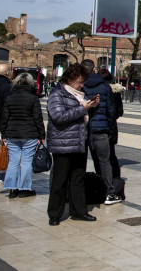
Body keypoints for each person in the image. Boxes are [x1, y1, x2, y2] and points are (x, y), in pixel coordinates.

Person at [47, 63, 99, 225]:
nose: (81, 85)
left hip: (78, 142)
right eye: (79, 81)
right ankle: (55, 213)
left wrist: (92, 107)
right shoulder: (57, 95)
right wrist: (83, 108)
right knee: (60, 180)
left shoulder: (80, 95)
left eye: (83, 81)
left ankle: (79, 211)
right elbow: (59, 117)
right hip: (63, 143)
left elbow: (83, 116)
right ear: (69, 79)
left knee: (78, 178)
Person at [81, 60, 121, 205]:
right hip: (101, 129)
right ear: (94, 69)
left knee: (80, 162)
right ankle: (109, 192)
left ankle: (77, 192)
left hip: (82, 128)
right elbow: (111, 110)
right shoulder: (104, 86)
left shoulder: (79, 85)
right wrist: (111, 130)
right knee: (105, 162)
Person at [0, 72, 45, 198]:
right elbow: (38, 118)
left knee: (13, 161)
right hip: (29, 133)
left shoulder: (10, 97)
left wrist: (3, 133)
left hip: (12, 133)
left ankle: (12, 188)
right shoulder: (33, 98)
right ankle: (24, 188)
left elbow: (4, 117)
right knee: (26, 161)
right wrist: (41, 135)